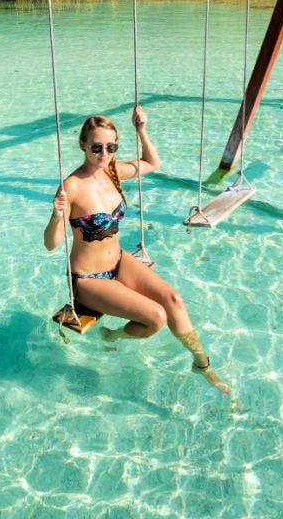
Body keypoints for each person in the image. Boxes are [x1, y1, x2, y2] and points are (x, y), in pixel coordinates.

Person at [44, 107, 229, 396]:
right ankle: (113, 335)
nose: (104, 153)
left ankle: (201, 363)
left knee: (173, 299)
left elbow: (152, 163)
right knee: (155, 317)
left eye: (111, 147)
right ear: (82, 144)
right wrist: (57, 216)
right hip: (89, 279)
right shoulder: (72, 186)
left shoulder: (114, 172)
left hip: (118, 261)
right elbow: (51, 243)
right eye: (96, 147)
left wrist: (141, 130)